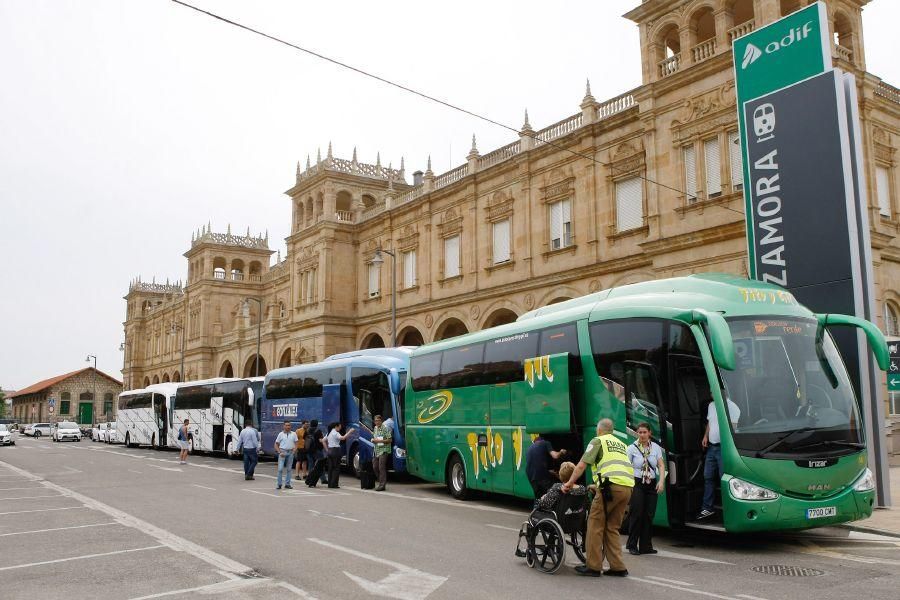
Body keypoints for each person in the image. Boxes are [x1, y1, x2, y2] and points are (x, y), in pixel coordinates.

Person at [563, 418, 634, 577]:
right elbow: (616, 469)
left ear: (599, 430)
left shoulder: (598, 441)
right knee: (612, 527)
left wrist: (569, 483)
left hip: (609, 489)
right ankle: (618, 567)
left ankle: (593, 566)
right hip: (627, 488)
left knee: (594, 525)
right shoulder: (621, 445)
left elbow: (581, 465)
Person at [625, 422, 666, 555]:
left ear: (649, 433)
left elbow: (660, 465)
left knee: (649, 515)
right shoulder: (632, 448)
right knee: (636, 514)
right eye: (640, 432)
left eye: (644, 432)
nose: (642, 435)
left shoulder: (656, 448)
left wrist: (661, 481)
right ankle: (632, 545)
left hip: (651, 483)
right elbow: (627, 466)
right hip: (637, 482)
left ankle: (646, 546)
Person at [698, 399, 741, 519]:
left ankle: (729, 510)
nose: (711, 393)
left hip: (724, 449)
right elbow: (709, 423)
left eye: (713, 391)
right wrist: (705, 436)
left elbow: (733, 429)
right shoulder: (711, 405)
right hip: (712, 447)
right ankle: (707, 508)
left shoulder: (732, 407)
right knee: (708, 477)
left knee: (725, 480)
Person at [525, 433, 567, 501]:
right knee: (554, 491)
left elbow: (536, 465)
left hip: (531, 476)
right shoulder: (546, 443)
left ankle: (537, 510)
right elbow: (555, 456)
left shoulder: (529, 448)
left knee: (538, 497)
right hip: (541, 476)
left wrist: (550, 472)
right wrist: (561, 452)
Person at [325, 422, 356, 489]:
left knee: (330, 468)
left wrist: (326, 449)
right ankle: (334, 484)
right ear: (336, 426)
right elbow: (343, 438)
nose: (340, 428)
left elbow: (323, 440)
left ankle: (330, 484)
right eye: (340, 426)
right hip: (336, 451)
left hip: (330, 451)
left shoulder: (329, 432)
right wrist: (350, 431)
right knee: (336, 468)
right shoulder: (335, 433)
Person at [274, 420, 298, 490]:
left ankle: (287, 484)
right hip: (282, 452)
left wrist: (294, 450)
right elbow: (276, 444)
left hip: (290, 452)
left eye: (289, 425)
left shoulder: (293, 434)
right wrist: (279, 452)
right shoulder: (280, 434)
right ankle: (279, 484)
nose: (288, 427)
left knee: (289, 469)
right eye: (287, 425)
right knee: (280, 469)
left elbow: (296, 442)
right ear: (284, 426)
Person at [372, 414, 392, 491]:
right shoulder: (375, 428)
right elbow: (375, 437)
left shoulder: (385, 428)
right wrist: (373, 440)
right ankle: (380, 481)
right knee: (375, 466)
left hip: (384, 450)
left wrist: (379, 441)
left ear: (381, 421)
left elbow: (390, 440)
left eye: (378, 420)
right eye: (375, 421)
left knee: (381, 467)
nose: (377, 422)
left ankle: (382, 485)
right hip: (376, 450)